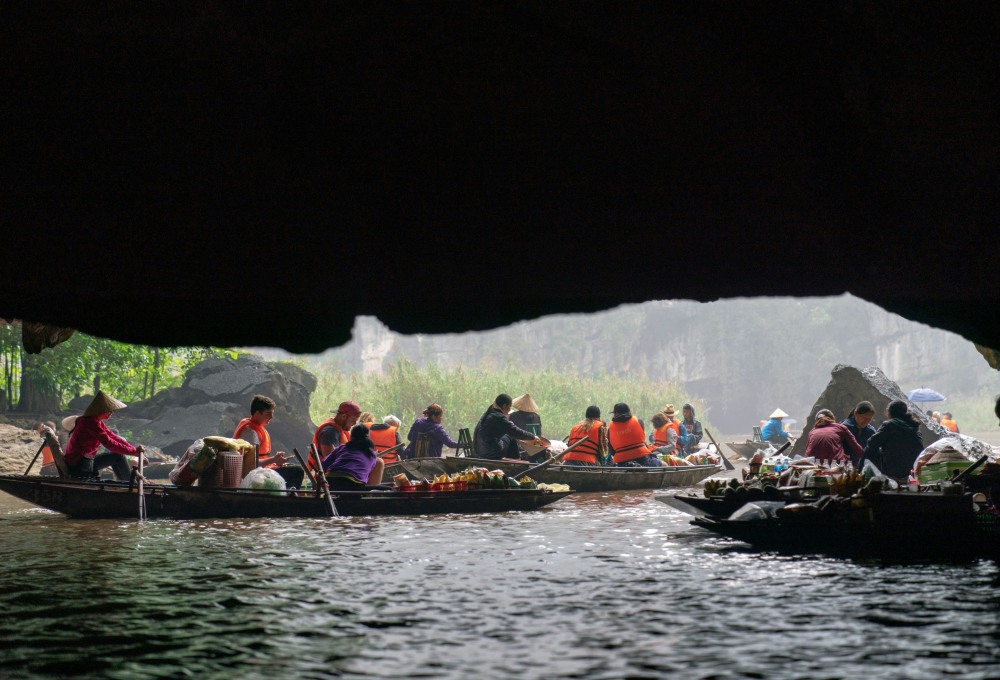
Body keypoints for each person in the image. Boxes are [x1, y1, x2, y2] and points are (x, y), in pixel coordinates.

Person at [63, 390, 146, 481]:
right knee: (118, 456)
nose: (111, 413)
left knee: (117, 456)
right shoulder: (89, 422)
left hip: (85, 461)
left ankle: (129, 483)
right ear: (101, 409)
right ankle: (132, 485)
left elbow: (113, 436)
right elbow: (109, 443)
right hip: (79, 465)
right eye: (109, 410)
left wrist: (134, 449)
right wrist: (134, 452)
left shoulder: (97, 421)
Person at [232, 394, 303, 488]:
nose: (271, 417)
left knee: (292, 466)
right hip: (255, 475)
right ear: (257, 413)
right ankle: (287, 497)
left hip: (261, 469)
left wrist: (275, 461)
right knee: (298, 471)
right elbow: (250, 464)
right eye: (268, 413)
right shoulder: (251, 432)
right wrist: (273, 460)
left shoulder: (253, 426)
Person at [862, 400, 925, 483]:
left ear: (890, 412)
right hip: (912, 468)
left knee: (869, 450)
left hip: (893, 470)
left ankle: (866, 477)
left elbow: (872, 443)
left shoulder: (890, 425)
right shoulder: (914, 425)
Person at [473, 393, 543, 460]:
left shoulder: (490, 413)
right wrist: (533, 437)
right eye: (509, 407)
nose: (509, 410)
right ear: (504, 406)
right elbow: (516, 432)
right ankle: (516, 461)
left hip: (480, 451)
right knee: (511, 436)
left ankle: (514, 459)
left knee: (508, 435)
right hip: (491, 453)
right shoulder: (498, 417)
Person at [321, 424, 390, 490]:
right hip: (353, 485)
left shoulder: (341, 448)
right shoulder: (371, 454)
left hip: (330, 482)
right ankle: (370, 496)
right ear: (368, 437)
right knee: (389, 488)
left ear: (351, 436)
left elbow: (324, 464)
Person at [608, 402, 663, 467]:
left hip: (622, 462)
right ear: (629, 412)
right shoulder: (639, 421)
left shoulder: (609, 429)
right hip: (642, 458)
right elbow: (641, 440)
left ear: (616, 414)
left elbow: (612, 451)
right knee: (664, 464)